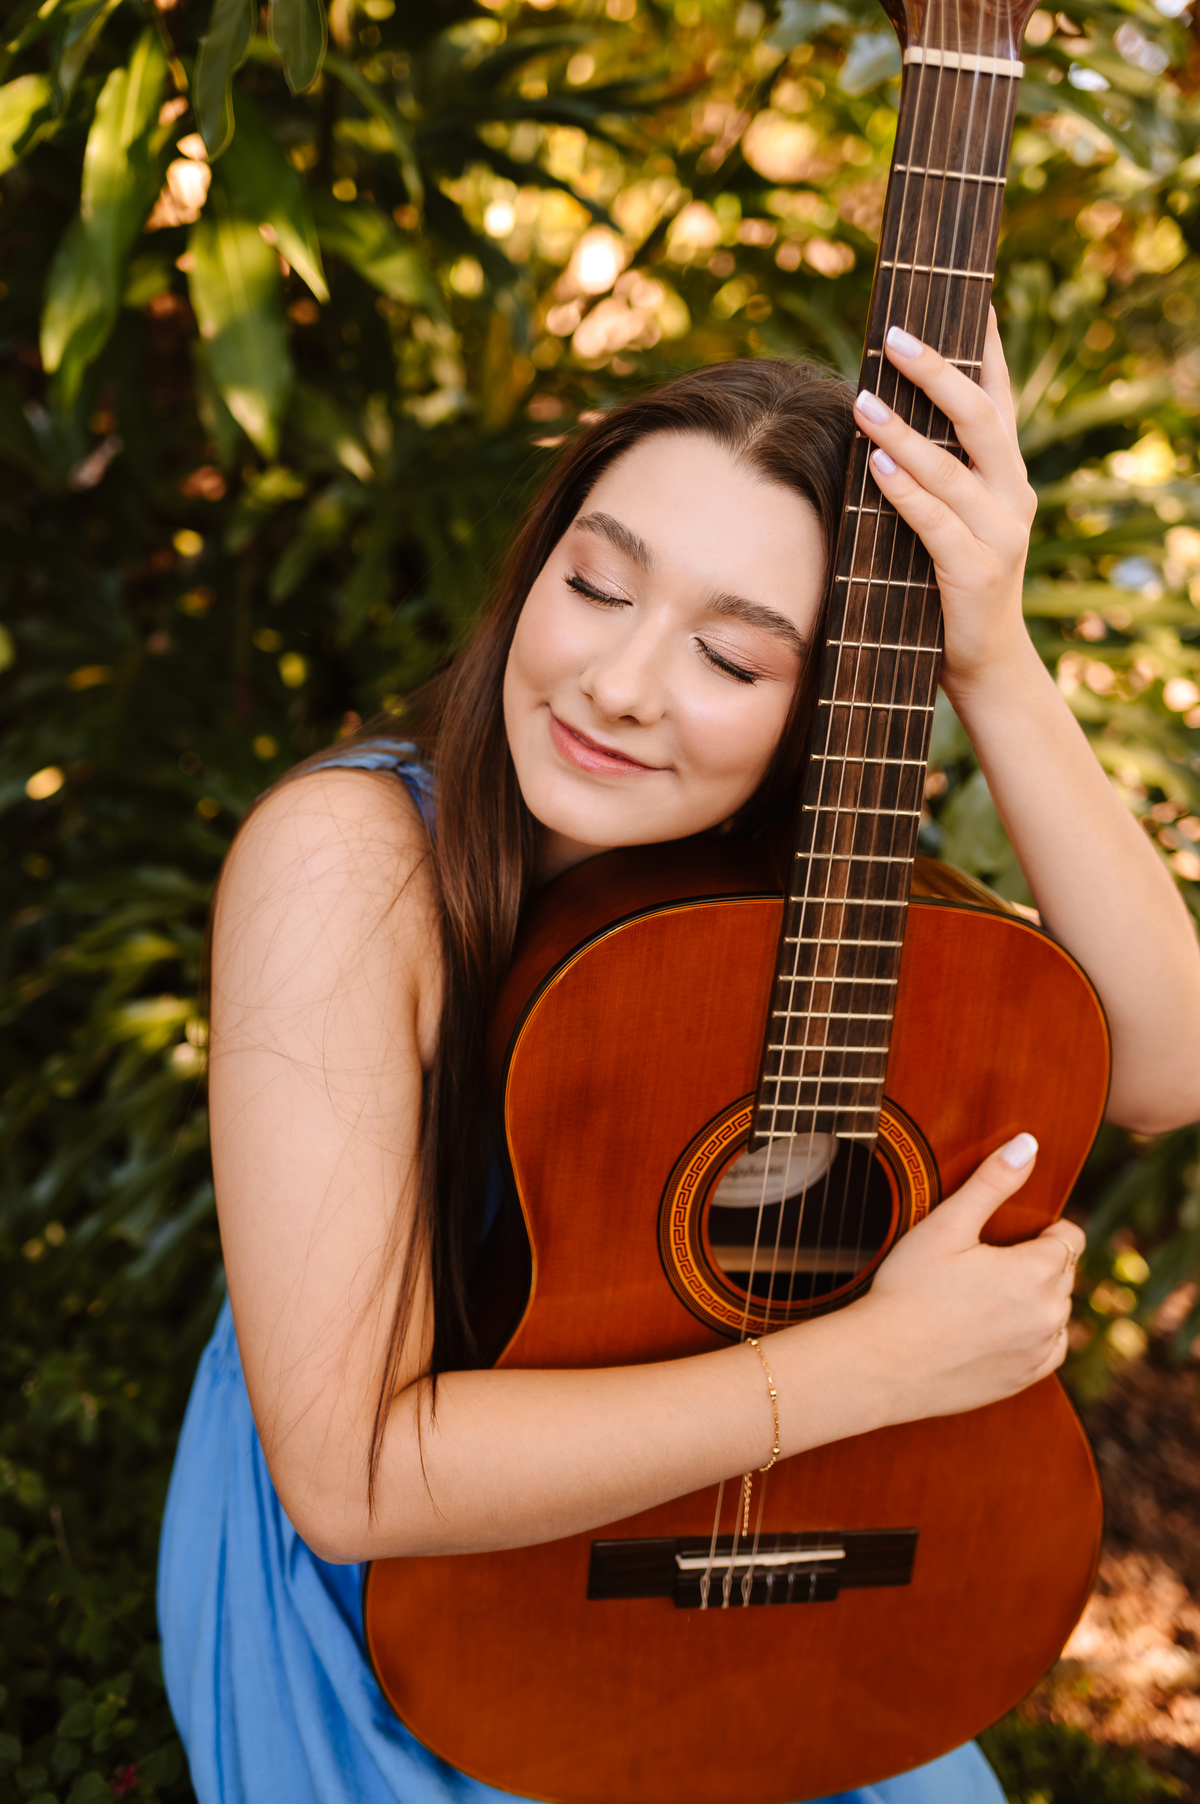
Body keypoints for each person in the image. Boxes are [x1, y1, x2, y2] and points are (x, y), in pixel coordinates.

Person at [158, 314, 1200, 1804]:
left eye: (730, 655)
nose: (622, 684)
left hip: (789, 1550)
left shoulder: (794, 882)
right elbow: (351, 1478)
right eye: (595, 584)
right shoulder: (353, 865)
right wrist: (875, 1367)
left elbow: (1168, 1070)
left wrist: (993, 654)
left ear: (819, 711)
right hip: (423, 1593)